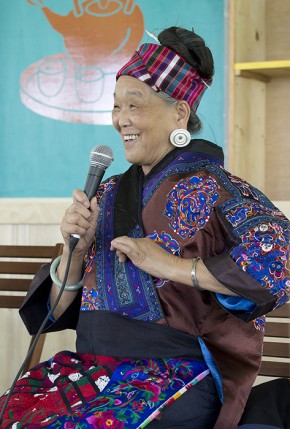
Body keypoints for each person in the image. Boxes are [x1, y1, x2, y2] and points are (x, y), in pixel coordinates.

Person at [0, 26, 289, 429]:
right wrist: (75, 252)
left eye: (133, 106)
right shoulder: (108, 191)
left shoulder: (221, 190)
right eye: (116, 107)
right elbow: (53, 314)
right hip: (87, 373)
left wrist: (172, 266)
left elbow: (278, 262)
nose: (120, 120)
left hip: (173, 379)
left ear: (180, 113)